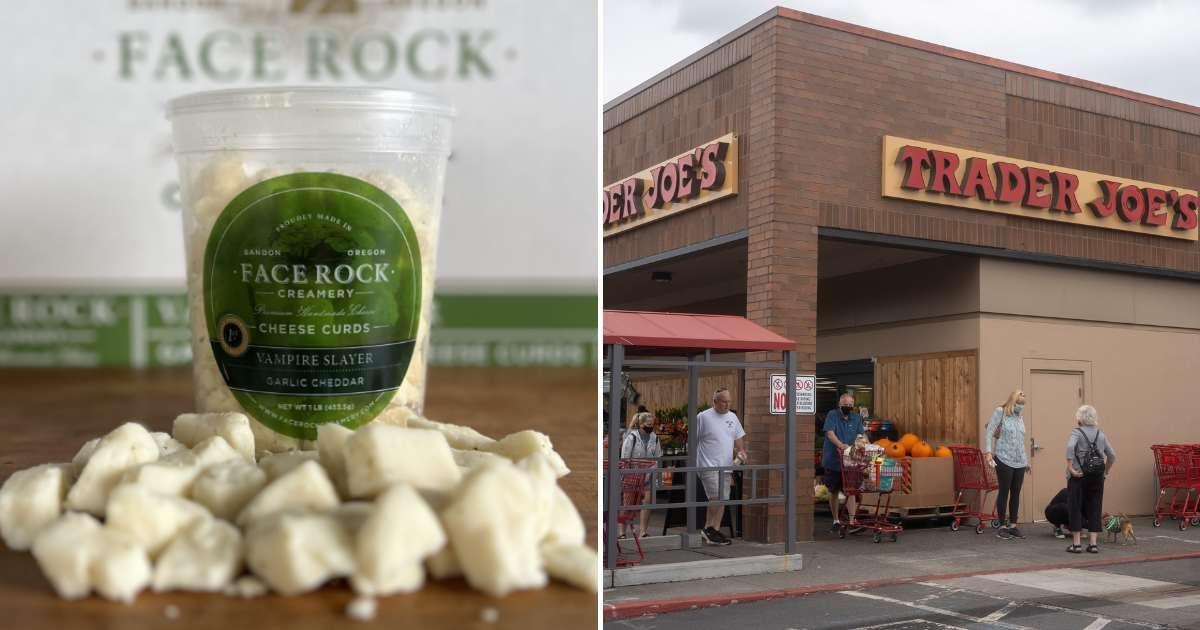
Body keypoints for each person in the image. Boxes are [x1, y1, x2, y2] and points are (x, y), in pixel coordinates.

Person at [694, 387, 746, 545]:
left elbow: (738, 439)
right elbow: (693, 440)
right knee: (716, 497)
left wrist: (741, 452)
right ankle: (708, 529)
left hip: (726, 466)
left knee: (723, 498)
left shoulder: (732, 417)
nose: (727, 405)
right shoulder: (703, 417)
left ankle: (713, 530)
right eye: (724, 402)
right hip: (708, 465)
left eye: (729, 401)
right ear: (715, 401)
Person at [1065, 404, 1116, 554]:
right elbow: (1112, 455)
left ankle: (1076, 544)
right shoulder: (1101, 434)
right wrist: (1105, 471)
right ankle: (1093, 544)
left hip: (1078, 476)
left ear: (1080, 418)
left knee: (1075, 507)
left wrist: (1070, 467)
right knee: (1095, 507)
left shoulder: (1077, 432)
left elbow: (1070, 447)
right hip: (1097, 477)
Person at [984, 389, 1031, 540]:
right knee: (1004, 491)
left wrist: (1026, 461)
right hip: (1004, 458)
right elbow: (989, 431)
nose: (1021, 406)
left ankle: (1013, 526)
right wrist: (988, 452)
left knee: (1016, 492)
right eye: (1019, 403)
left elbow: (1020, 441)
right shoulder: (1001, 412)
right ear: (1012, 401)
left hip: (1019, 461)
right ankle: (1002, 526)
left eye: (1023, 404)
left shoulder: (1020, 417)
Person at [822, 393, 865, 531]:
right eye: (845, 405)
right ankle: (836, 520)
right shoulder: (832, 415)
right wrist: (840, 445)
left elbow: (861, 435)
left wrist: (864, 444)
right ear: (840, 405)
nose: (848, 407)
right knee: (833, 490)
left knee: (851, 491)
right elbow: (830, 433)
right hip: (833, 459)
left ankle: (852, 521)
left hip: (850, 460)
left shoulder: (856, 417)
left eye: (850, 405)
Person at [620, 411, 662, 538]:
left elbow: (658, 457)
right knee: (628, 504)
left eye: (652, 424)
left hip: (648, 476)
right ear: (641, 424)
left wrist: (655, 475)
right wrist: (626, 475)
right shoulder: (631, 438)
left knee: (647, 502)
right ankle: (622, 532)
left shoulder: (655, 438)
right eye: (648, 424)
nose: (650, 426)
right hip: (632, 475)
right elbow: (625, 458)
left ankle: (643, 531)